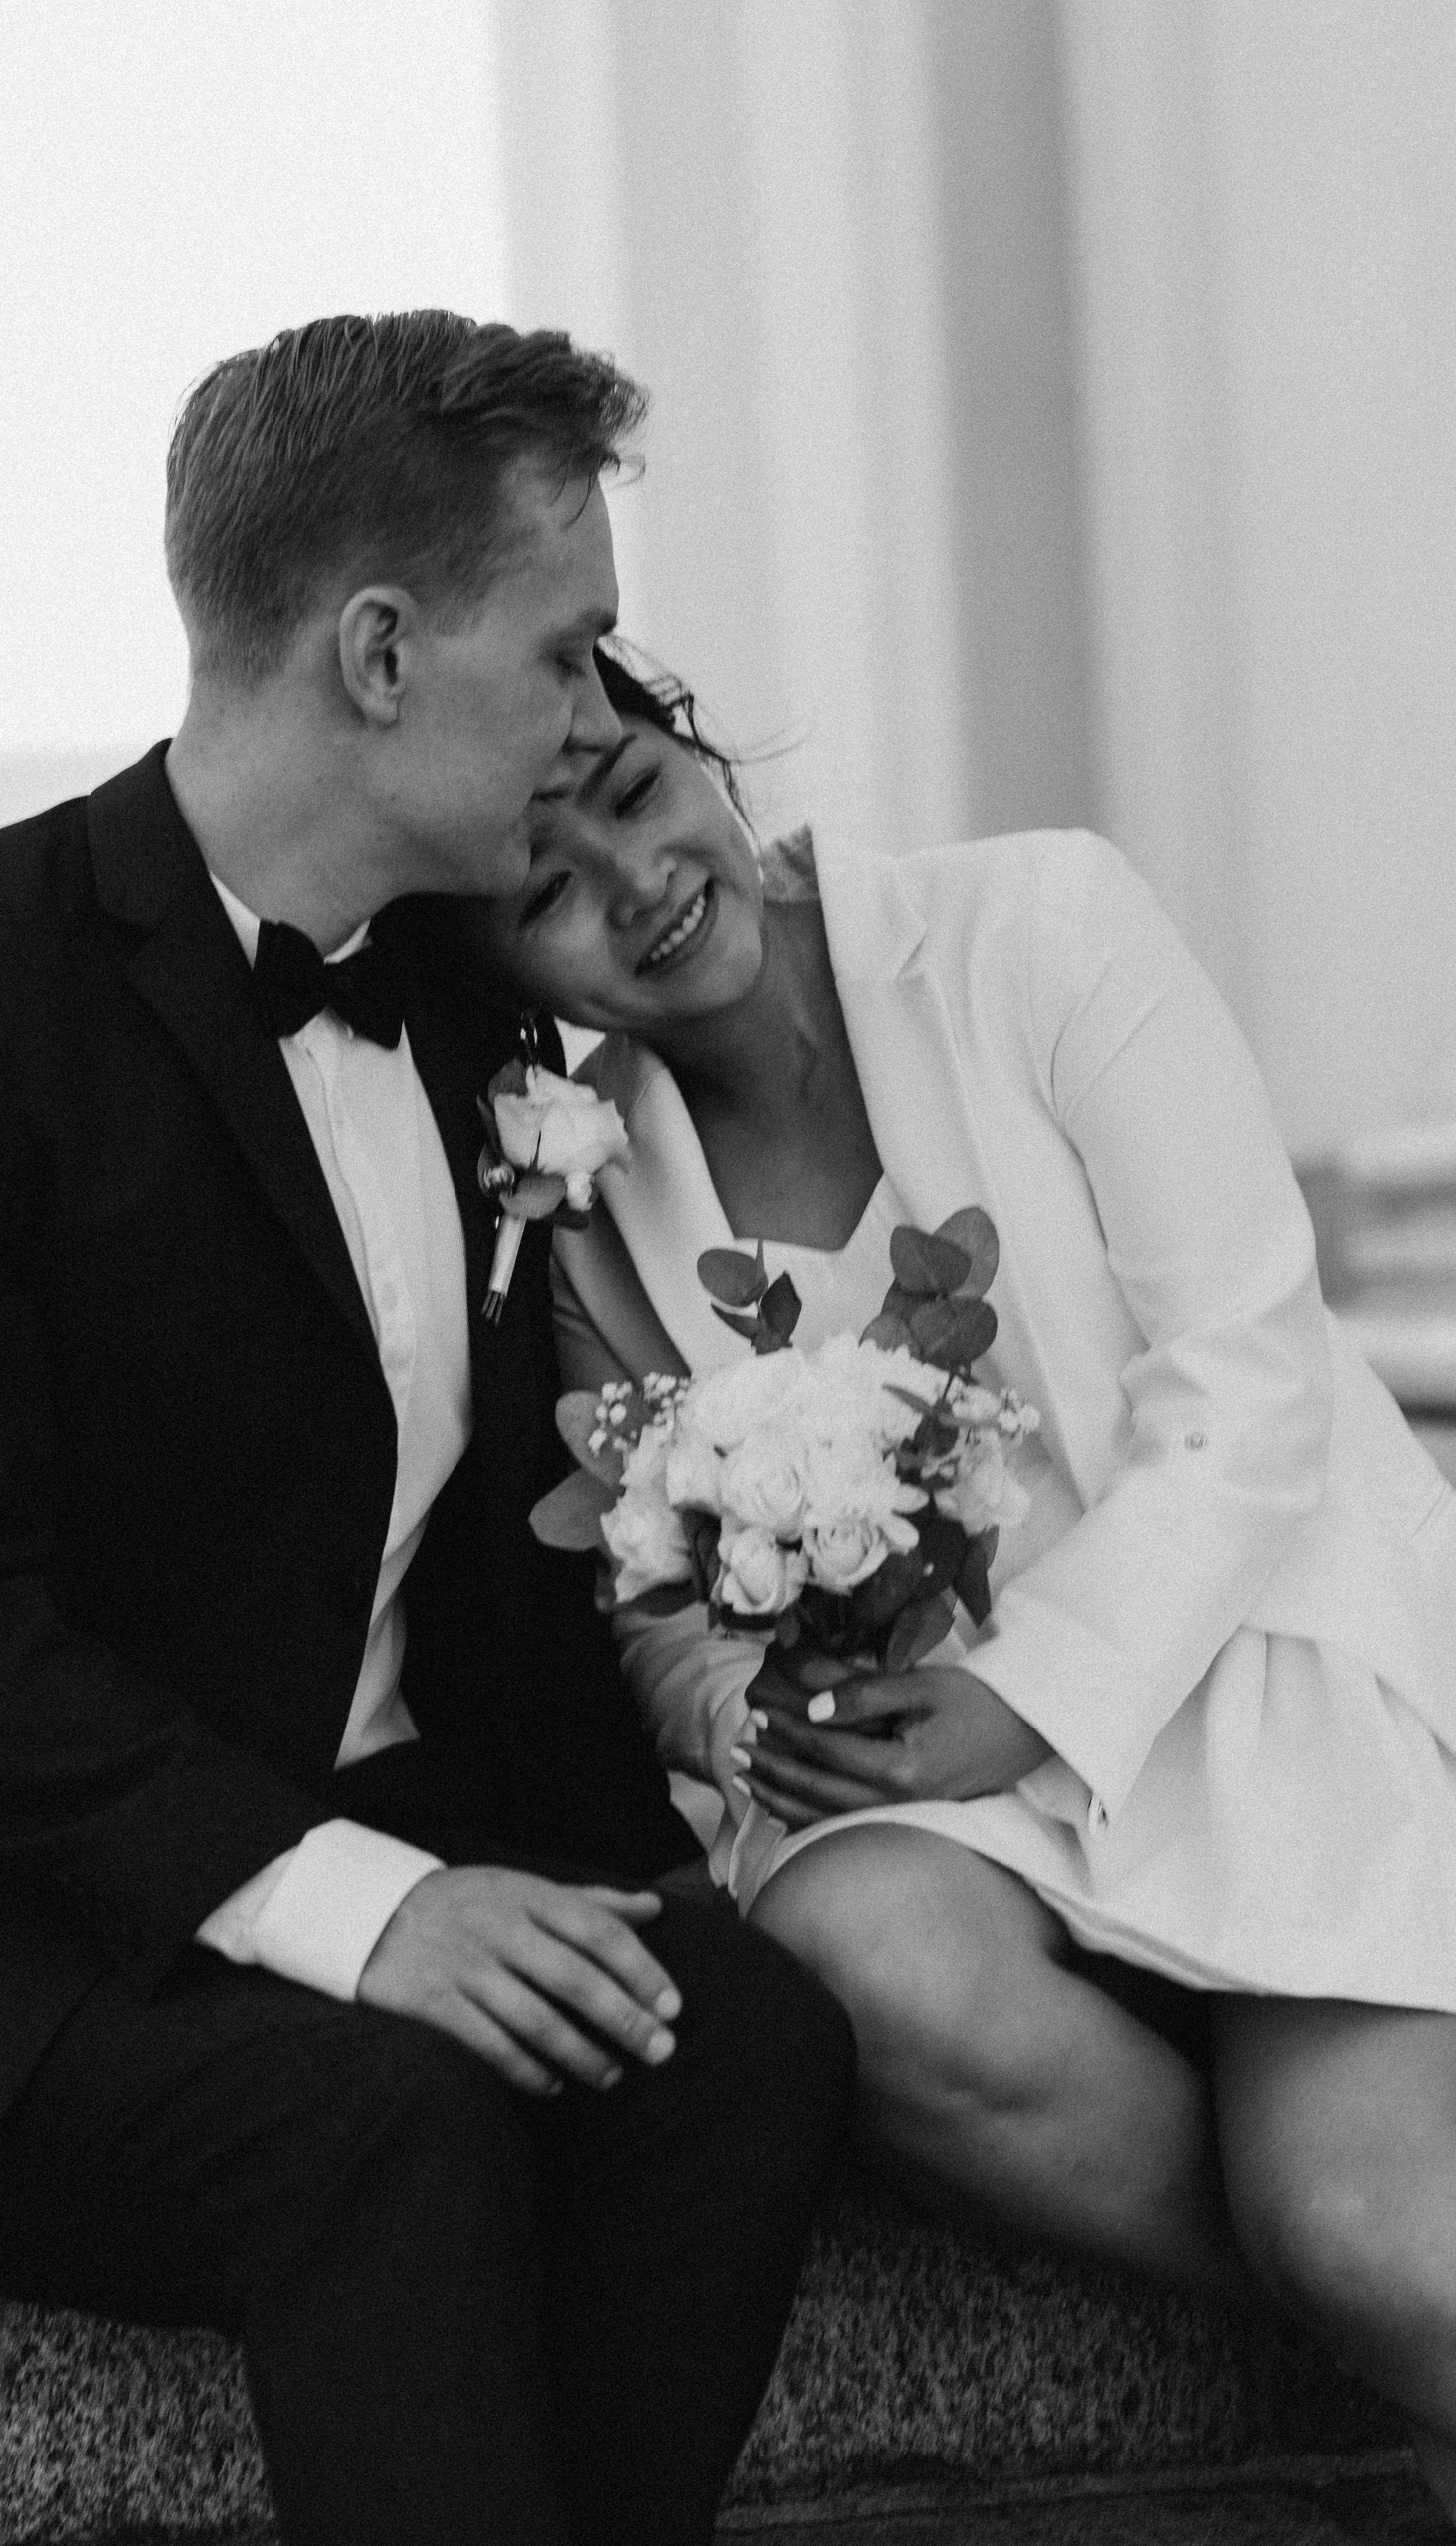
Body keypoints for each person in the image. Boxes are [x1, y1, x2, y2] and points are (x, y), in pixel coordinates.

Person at [0, 320, 856, 2546]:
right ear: (376, 653)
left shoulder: (461, 984)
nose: (593, 715)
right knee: (381, 2117)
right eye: (562, 651)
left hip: (389, 1815)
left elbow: (500, 1533)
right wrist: (372, 1913)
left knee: (736, 2041)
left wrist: (663, 1836)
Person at [414, 645, 1456, 2513]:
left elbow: (1250, 1376)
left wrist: (1018, 1699)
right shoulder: (585, 1207)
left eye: (639, 794)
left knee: (1368, 2229)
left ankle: (1356, 2274)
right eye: (550, 893)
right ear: (511, 976)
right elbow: (652, 1600)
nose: (639, 886)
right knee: (854, 1953)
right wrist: (763, 1723)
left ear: (702, 758)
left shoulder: (1035, 923)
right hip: (947, 1789)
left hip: (1249, 1659)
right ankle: (1330, 2303)